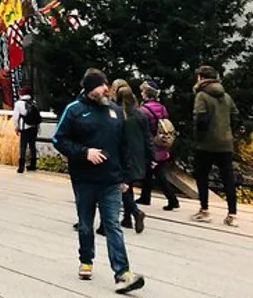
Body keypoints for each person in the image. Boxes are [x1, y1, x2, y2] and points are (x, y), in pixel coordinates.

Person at [52, 69, 145, 293]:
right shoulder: (74, 110)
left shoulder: (114, 111)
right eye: (101, 85)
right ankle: (86, 260)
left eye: (106, 84)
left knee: (112, 225)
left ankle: (122, 273)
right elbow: (59, 139)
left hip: (111, 180)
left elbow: (123, 146)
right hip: (84, 179)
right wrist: (85, 152)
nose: (106, 88)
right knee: (85, 224)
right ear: (89, 88)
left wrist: (125, 177)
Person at [191, 65, 239, 227]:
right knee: (228, 179)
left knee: (202, 176)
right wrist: (228, 132)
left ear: (201, 78)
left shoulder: (202, 96)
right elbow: (235, 117)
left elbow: (201, 119)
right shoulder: (226, 96)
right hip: (226, 142)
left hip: (206, 144)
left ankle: (204, 210)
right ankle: (232, 213)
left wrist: (199, 138)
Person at [136, 80, 179, 210]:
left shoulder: (143, 110)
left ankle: (173, 200)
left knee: (158, 173)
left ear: (146, 93)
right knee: (149, 170)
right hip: (161, 142)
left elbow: (142, 128)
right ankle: (145, 196)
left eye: (143, 91)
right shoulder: (162, 107)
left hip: (150, 143)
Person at [114, 83, 151, 234]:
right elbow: (147, 136)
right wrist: (151, 156)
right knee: (127, 186)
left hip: (123, 156)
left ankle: (135, 212)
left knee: (123, 187)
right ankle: (127, 218)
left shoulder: (118, 115)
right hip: (138, 155)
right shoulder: (141, 114)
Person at [12, 85, 41, 173]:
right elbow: (37, 116)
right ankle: (33, 164)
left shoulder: (18, 104)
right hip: (34, 127)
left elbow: (15, 117)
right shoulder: (34, 102)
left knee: (23, 146)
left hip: (24, 127)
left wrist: (16, 127)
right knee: (32, 145)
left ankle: (21, 166)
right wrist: (38, 127)